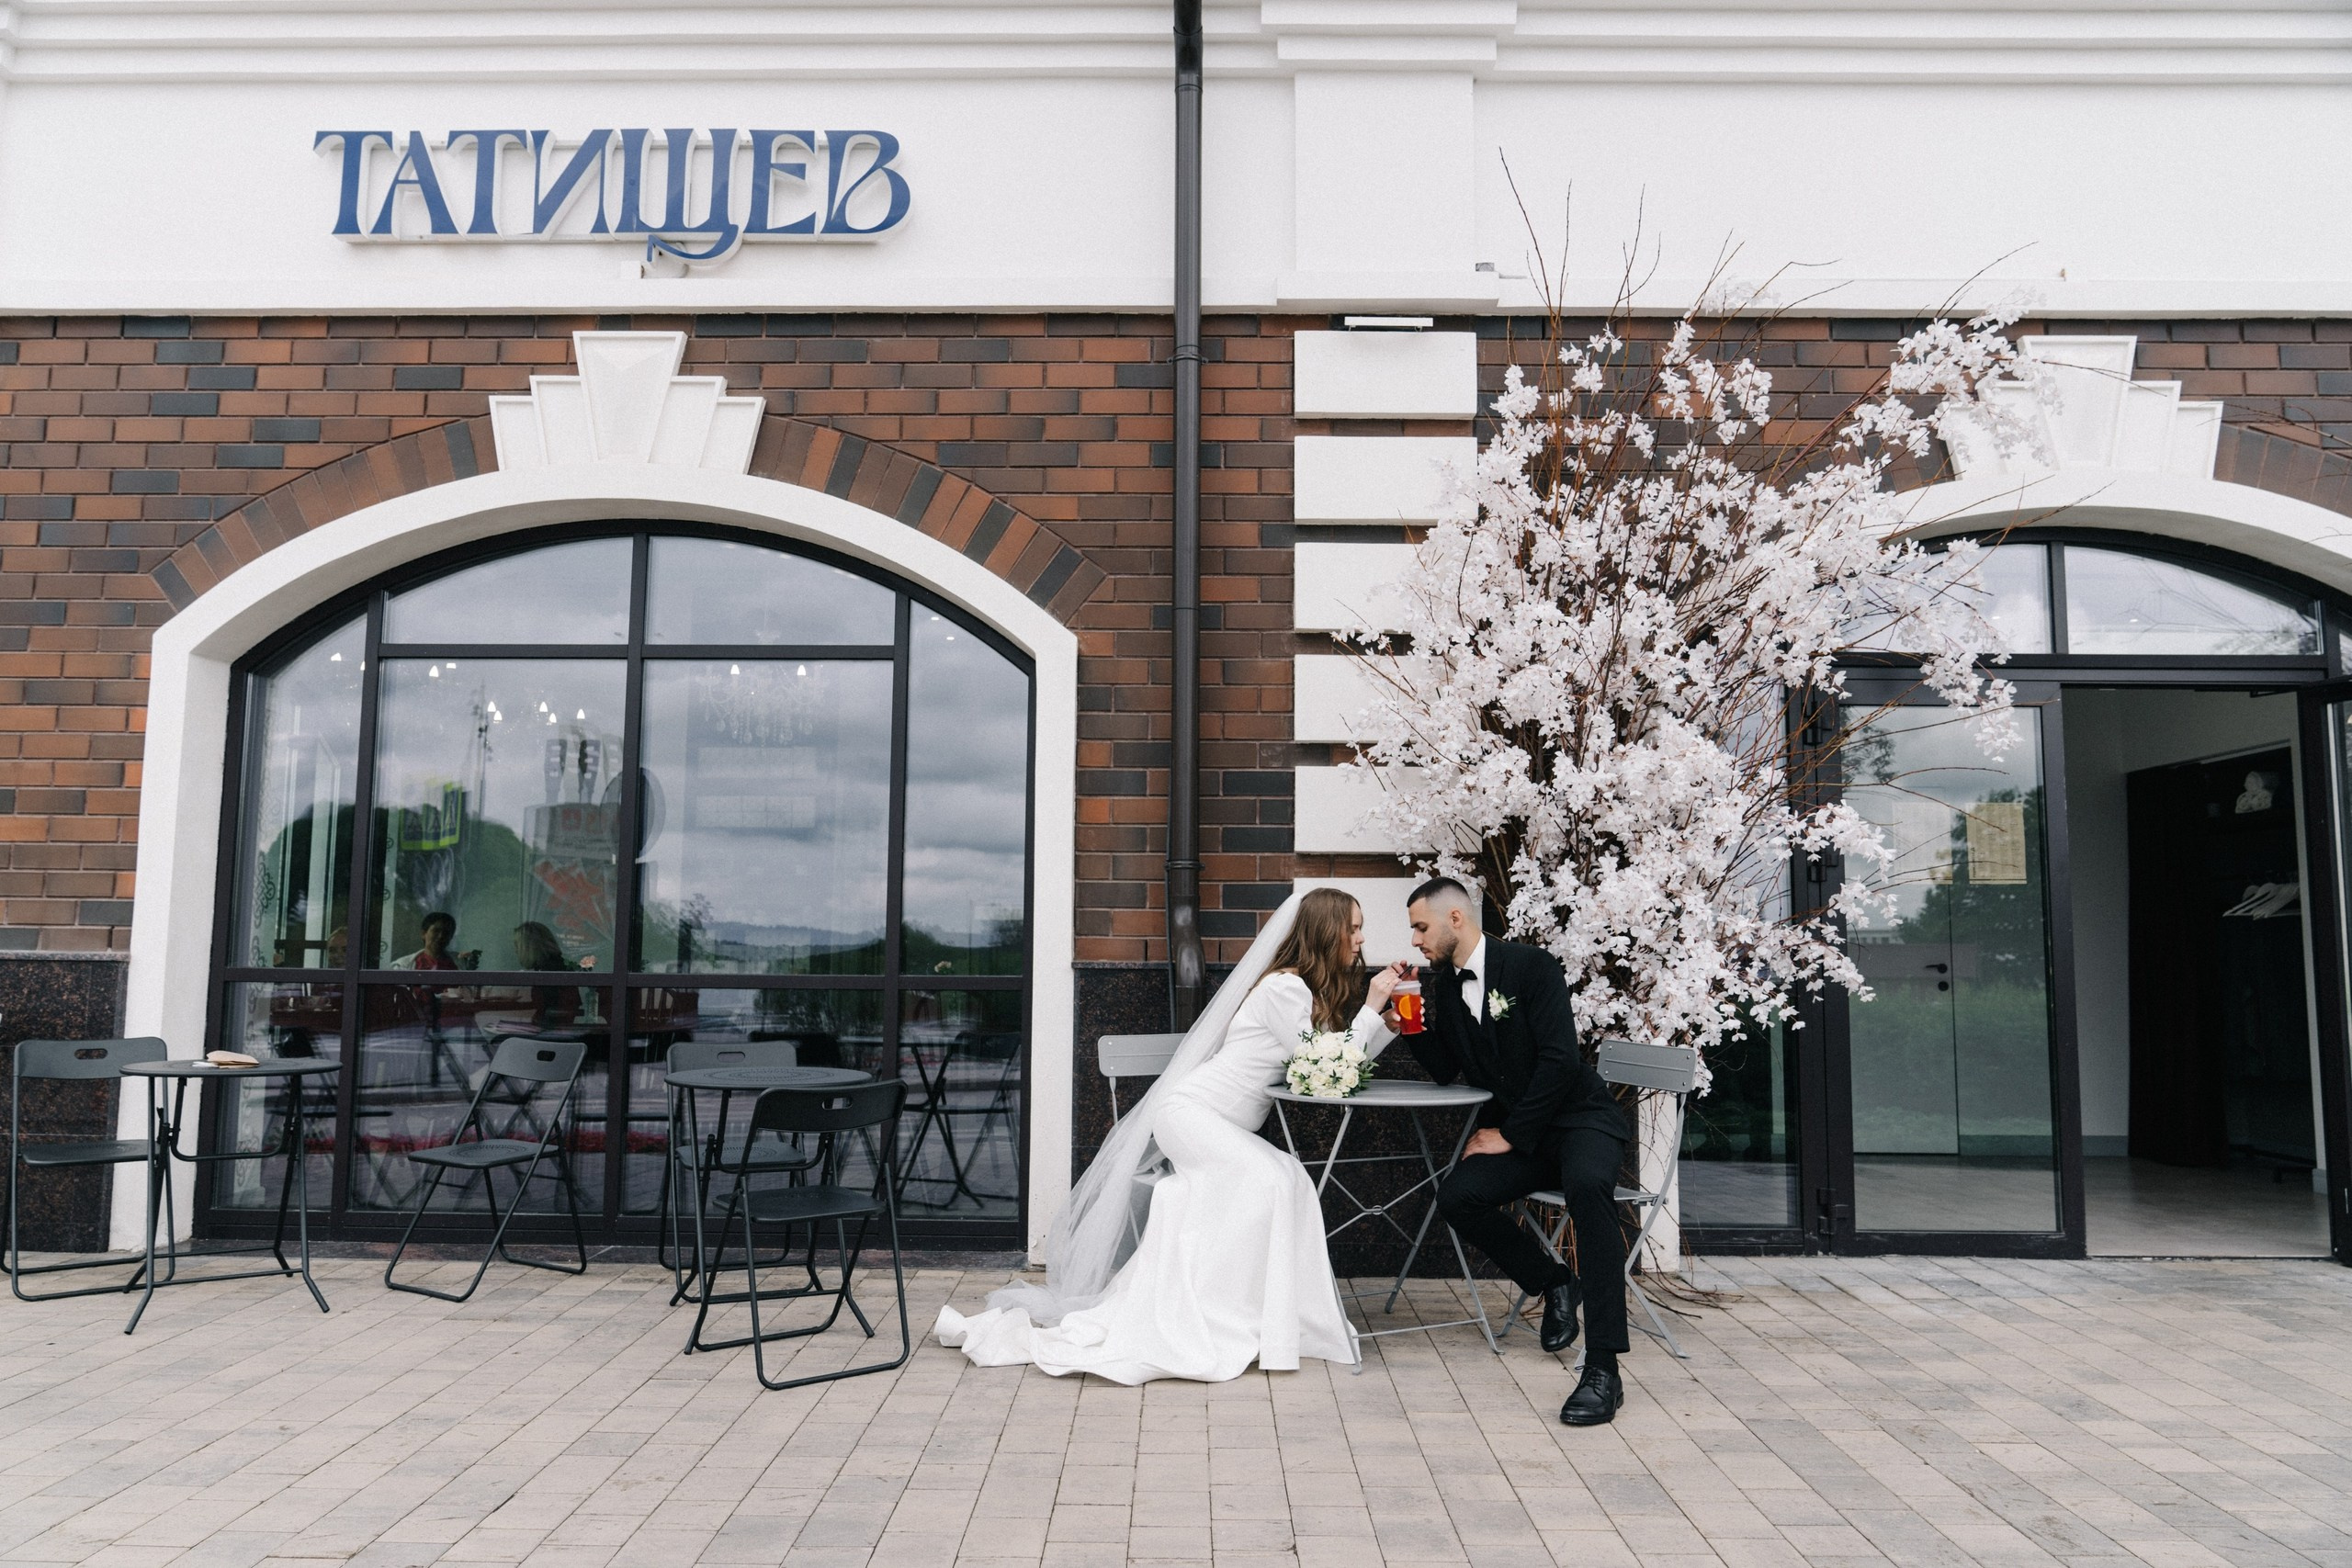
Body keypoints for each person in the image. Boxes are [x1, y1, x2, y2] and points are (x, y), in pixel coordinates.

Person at [936, 887, 1403, 1383]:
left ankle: (1264, 1315)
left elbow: (1330, 1072)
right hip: (1192, 1115)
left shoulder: (1303, 991)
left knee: (1285, 1175)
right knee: (1269, 1179)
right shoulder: (1283, 989)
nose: (1360, 938)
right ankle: (1227, 1317)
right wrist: (1371, 1006)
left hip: (1218, 1124)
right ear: (1326, 930)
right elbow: (1324, 1067)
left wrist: (1384, 1024)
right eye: (1353, 927)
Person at [1396, 876, 1634, 1427]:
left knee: (1588, 1190)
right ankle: (1553, 1282)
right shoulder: (1447, 987)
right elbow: (1443, 1068)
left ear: (1455, 919)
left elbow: (1559, 1063)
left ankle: (1602, 1369)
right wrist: (1406, 1015)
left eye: (1420, 926)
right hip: (1530, 1138)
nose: (1415, 940)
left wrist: (1509, 1135)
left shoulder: (1532, 968)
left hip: (1579, 1123)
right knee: (1457, 1197)